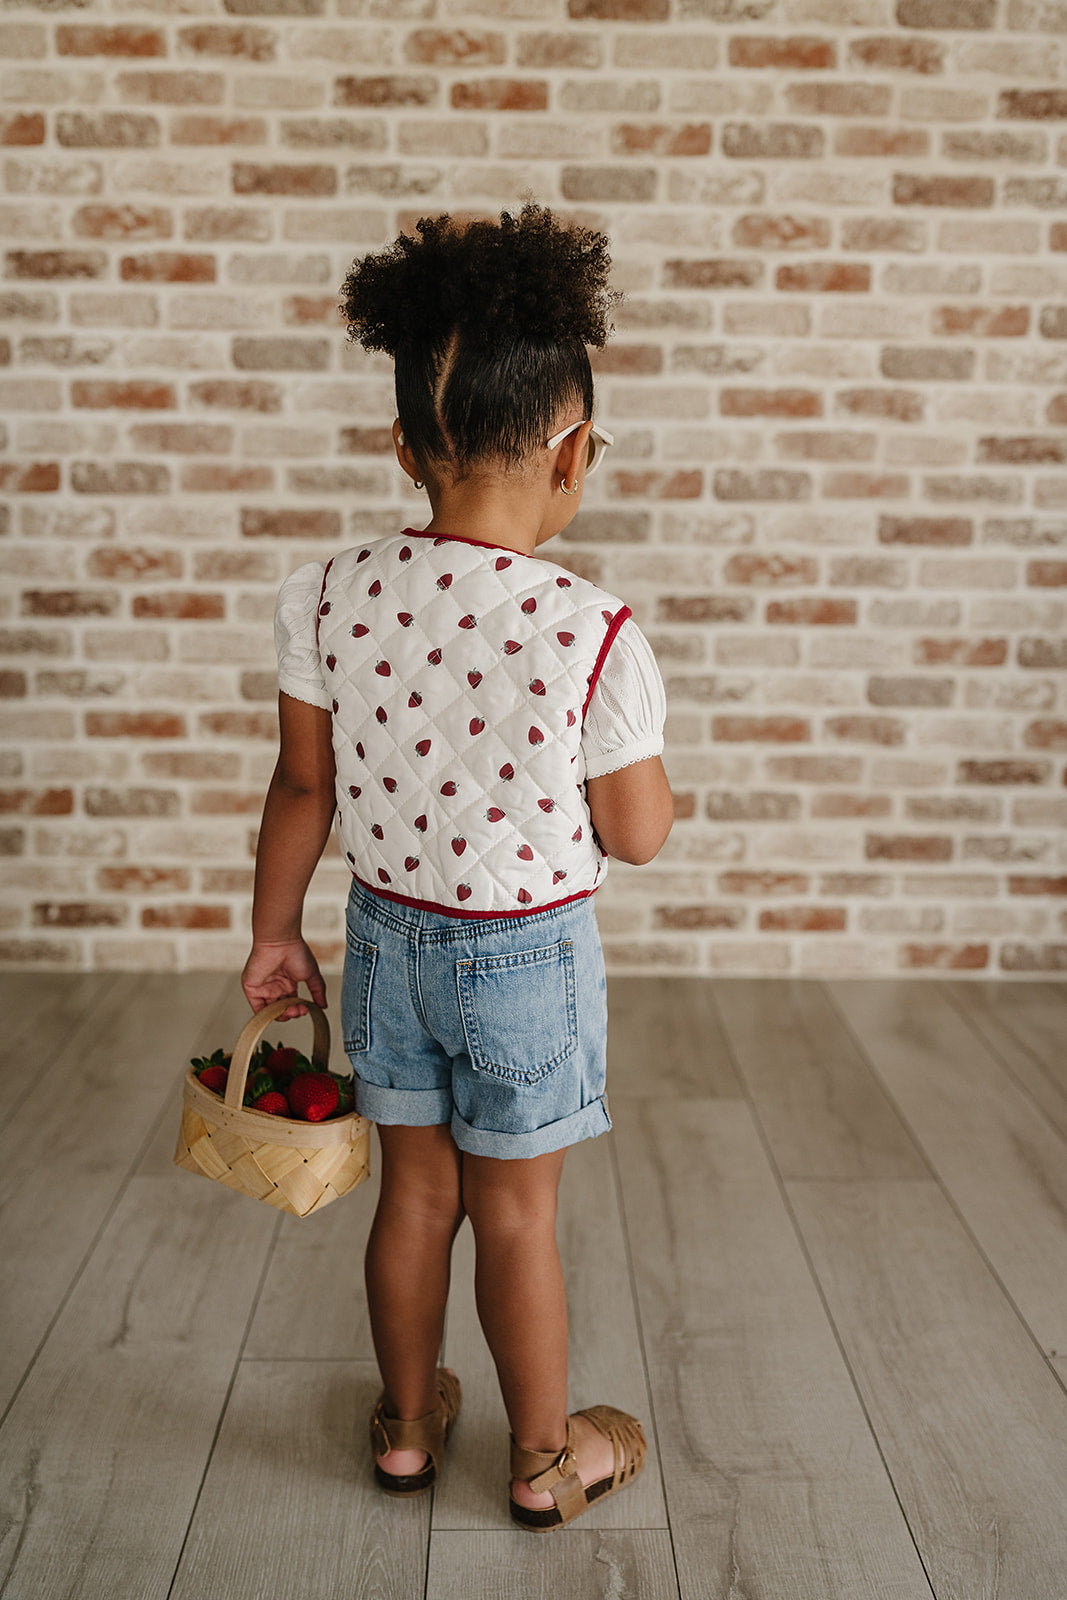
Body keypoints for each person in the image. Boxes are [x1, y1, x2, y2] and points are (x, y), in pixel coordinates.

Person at [241, 204, 673, 1531]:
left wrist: (273, 936)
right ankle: (547, 1460)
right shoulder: (594, 629)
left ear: (404, 447)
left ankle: (410, 1424)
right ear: (575, 452)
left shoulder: (325, 593)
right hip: (526, 962)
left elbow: (304, 784)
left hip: (386, 941)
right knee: (519, 1218)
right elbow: (638, 831)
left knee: (415, 1196)